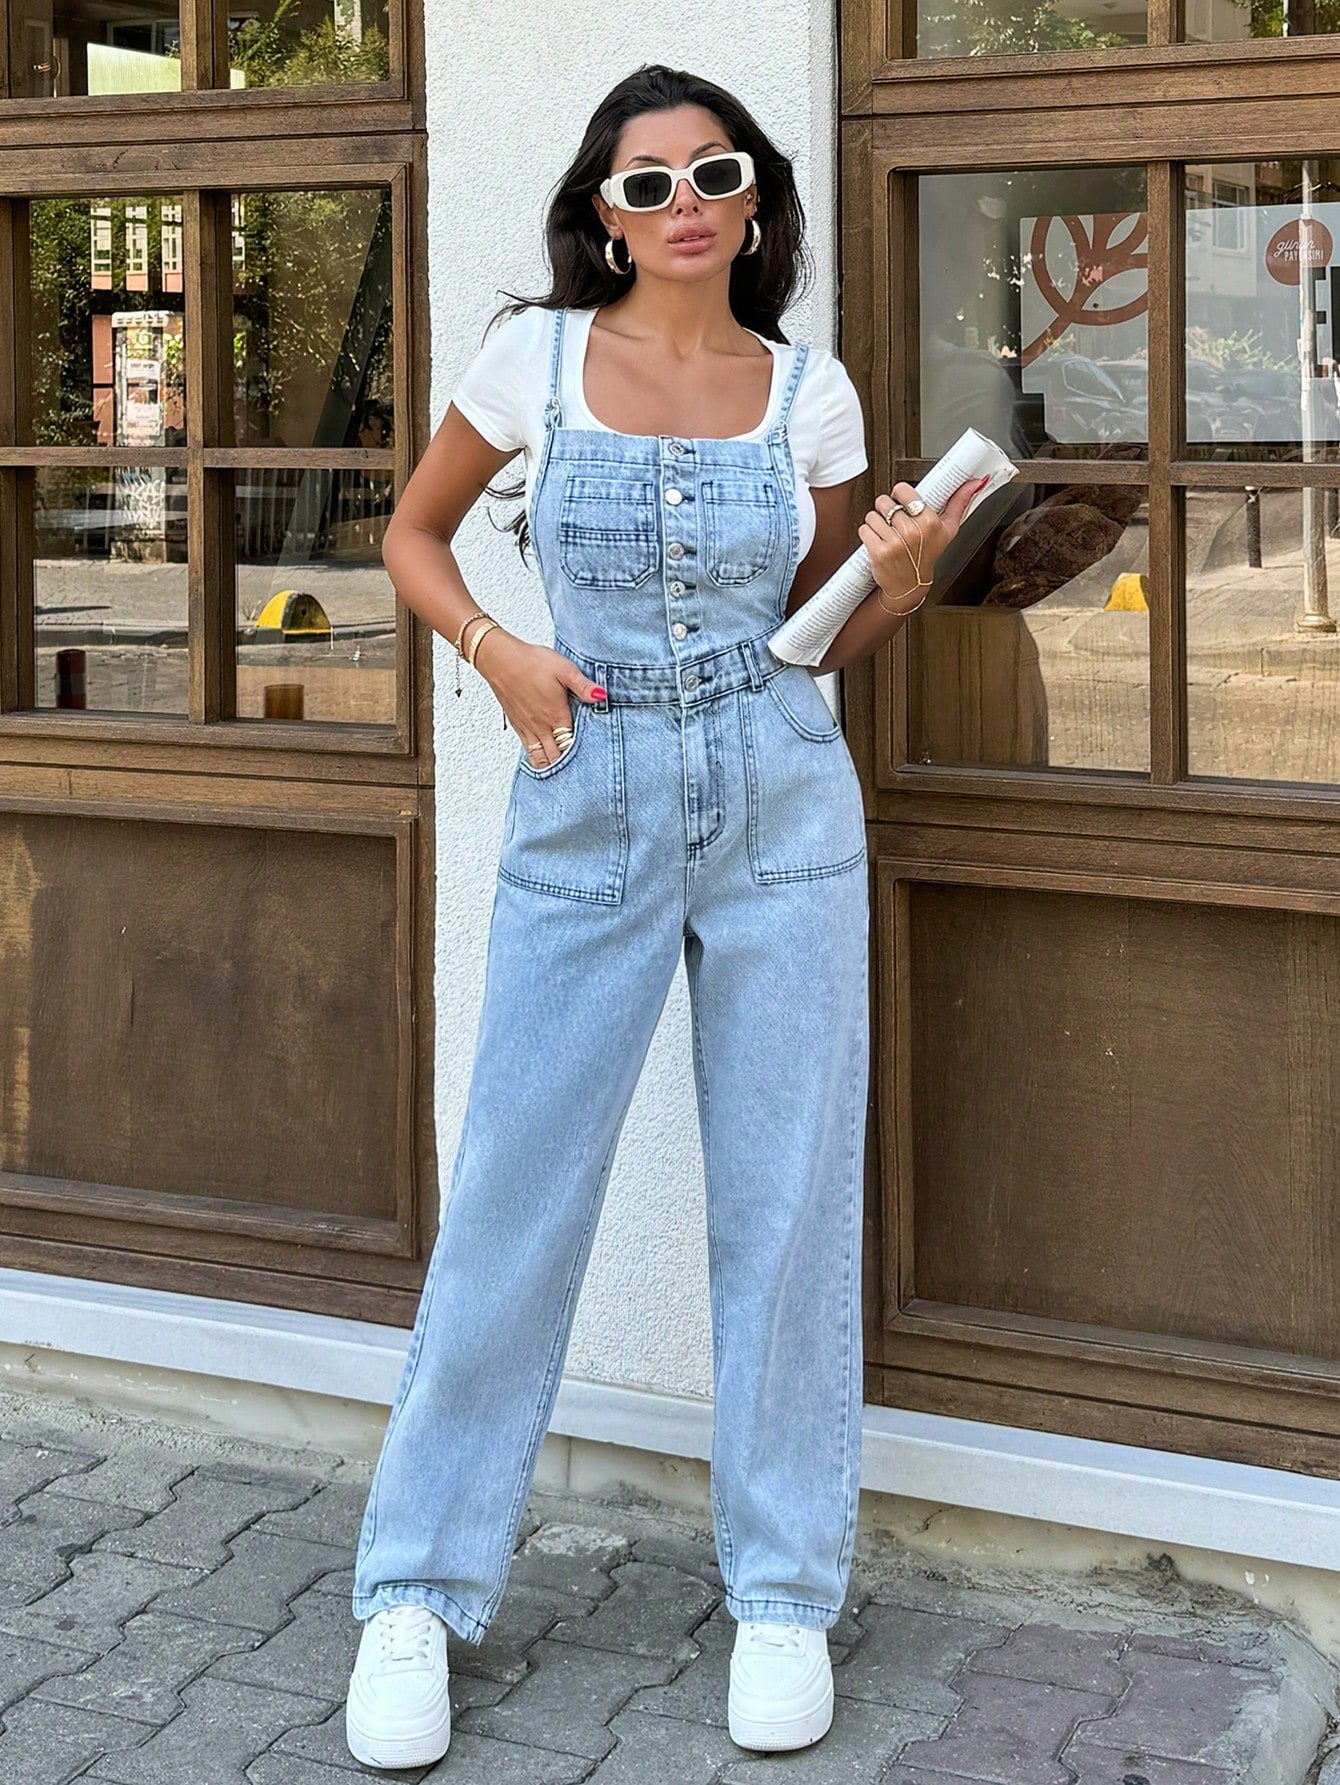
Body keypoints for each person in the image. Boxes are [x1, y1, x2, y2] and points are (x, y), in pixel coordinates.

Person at [344, 62, 986, 1772]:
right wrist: (499, 654)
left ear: (756, 200)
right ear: (604, 216)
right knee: (514, 1190)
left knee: (784, 1201)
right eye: (646, 182)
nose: (684, 202)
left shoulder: (812, 393)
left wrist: (897, 586)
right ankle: (415, 1586)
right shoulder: (535, 362)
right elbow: (413, 536)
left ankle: (782, 1593)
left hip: (782, 803)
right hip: (589, 789)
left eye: (713, 172)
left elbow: (817, 633)